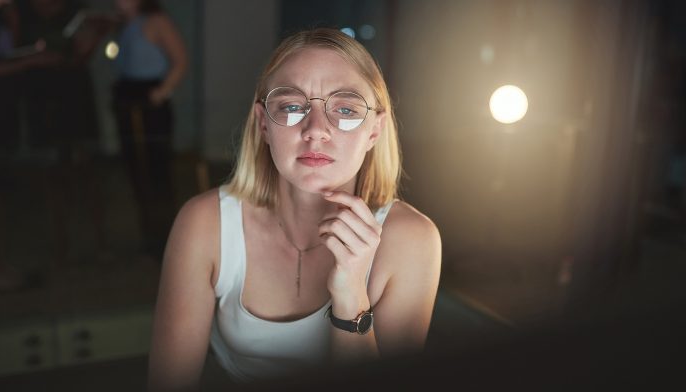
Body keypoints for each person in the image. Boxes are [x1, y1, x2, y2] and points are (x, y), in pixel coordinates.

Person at [147, 28, 442, 390]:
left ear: (375, 131)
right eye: (291, 106)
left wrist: (350, 292)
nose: (316, 130)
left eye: (345, 109)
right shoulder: (205, 223)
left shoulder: (412, 240)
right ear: (263, 124)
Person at [111, 0, 187, 262]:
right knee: (136, 168)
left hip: (149, 99)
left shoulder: (157, 22)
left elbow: (180, 60)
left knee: (156, 167)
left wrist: (160, 93)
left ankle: (167, 237)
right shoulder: (124, 25)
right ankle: (149, 234)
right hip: (127, 95)